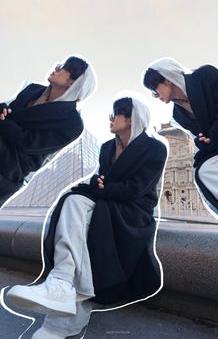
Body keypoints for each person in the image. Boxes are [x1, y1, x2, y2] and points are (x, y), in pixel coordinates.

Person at [6, 95, 168, 339]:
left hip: (133, 213)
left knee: (81, 218)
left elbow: (137, 188)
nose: (111, 118)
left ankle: (61, 317)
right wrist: (99, 184)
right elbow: (102, 179)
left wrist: (105, 187)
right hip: (108, 204)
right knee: (72, 200)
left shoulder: (155, 148)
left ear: (132, 118)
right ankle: (61, 288)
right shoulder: (106, 148)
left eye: (116, 114)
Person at [143, 57, 218, 228]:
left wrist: (211, 137)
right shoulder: (177, 114)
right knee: (203, 170)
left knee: (207, 168)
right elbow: (199, 135)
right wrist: (203, 140)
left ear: (167, 79)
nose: (156, 96)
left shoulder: (205, 75)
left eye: (155, 90)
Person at [0, 55, 96, 205]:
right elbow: (10, 112)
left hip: (12, 165)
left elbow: (30, 143)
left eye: (66, 67)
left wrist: (3, 121)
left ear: (73, 83)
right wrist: (2, 109)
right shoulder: (32, 89)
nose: (57, 68)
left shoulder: (72, 123)